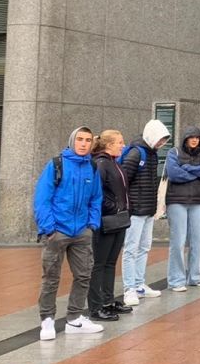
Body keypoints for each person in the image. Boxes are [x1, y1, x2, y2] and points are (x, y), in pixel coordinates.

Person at [34, 127, 104, 340]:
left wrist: (91, 224)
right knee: (51, 277)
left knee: (83, 275)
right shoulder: (57, 164)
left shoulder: (92, 167)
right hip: (57, 231)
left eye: (88, 140)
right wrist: (49, 229)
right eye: (80, 139)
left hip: (82, 231)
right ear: (73, 141)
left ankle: (74, 318)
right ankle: (47, 319)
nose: (83, 144)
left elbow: (96, 198)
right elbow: (42, 199)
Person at [120, 119, 170, 306]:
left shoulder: (152, 154)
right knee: (131, 249)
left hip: (148, 210)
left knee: (144, 248)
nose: (161, 143)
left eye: (164, 140)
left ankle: (139, 284)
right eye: (160, 139)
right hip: (135, 210)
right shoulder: (136, 153)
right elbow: (123, 180)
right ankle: (129, 288)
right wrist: (128, 205)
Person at [89, 130, 133, 321]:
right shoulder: (101, 163)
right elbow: (96, 193)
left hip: (118, 219)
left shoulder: (114, 163)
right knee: (99, 264)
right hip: (106, 220)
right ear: (108, 145)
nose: (123, 145)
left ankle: (107, 300)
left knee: (110, 262)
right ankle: (96, 306)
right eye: (119, 142)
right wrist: (114, 207)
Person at [164, 126, 200, 292]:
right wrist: (196, 174)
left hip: (197, 201)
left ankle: (194, 277)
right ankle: (176, 280)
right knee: (178, 242)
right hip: (176, 201)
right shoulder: (174, 153)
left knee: (197, 240)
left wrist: (188, 169)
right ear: (185, 139)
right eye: (191, 137)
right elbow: (173, 173)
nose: (194, 140)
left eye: (197, 138)